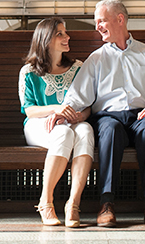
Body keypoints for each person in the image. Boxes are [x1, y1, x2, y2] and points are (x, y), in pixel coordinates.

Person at [57, 0, 145, 228]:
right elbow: (78, 95)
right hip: (108, 117)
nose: (97, 27)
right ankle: (106, 203)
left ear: (120, 19)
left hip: (141, 117)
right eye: (96, 22)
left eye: (101, 21)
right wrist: (64, 112)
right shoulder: (96, 59)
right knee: (109, 131)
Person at [18, 17, 94, 227]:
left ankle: (73, 204)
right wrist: (56, 108)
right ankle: (46, 201)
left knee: (86, 130)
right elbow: (29, 110)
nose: (67, 37)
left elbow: (87, 105)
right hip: (38, 125)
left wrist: (80, 116)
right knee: (63, 133)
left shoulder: (78, 68)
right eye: (60, 34)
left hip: (72, 122)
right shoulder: (29, 72)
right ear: (45, 39)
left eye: (65, 32)